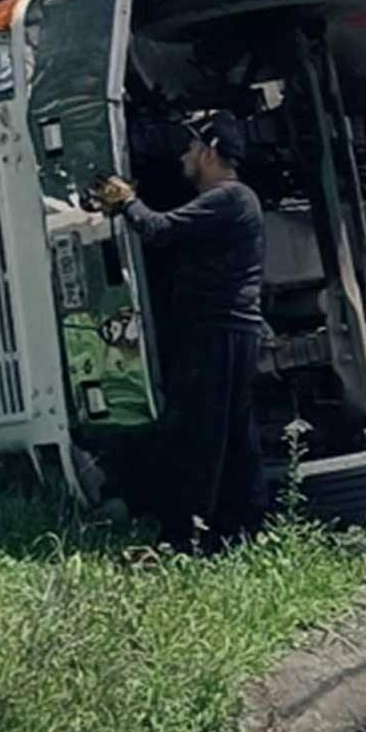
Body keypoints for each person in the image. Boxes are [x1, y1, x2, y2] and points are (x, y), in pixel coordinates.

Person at [94, 111, 267, 548]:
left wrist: (125, 200)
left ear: (210, 151)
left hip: (217, 332)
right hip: (233, 332)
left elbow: (159, 230)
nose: (185, 156)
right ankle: (241, 529)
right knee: (235, 437)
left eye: (191, 148)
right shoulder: (237, 200)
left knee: (195, 433)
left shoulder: (228, 197)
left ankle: (184, 539)